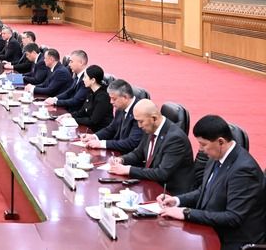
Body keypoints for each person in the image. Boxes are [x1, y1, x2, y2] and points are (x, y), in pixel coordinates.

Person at [158, 115, 266, 250]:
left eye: (203, 144)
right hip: (212, 227)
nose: (200, 149)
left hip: (233, 240)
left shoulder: (244, 170)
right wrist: (177, 200)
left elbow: (233, 217)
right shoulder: (216, 156)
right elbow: (205, 190)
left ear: (220, 142)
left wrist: (186, 213)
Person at [108, 99, 194, 194]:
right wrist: (122, 159)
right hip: (151, 185)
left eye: (141, 121)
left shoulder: (175, 139)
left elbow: (162, 173)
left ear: (154, 118)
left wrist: (128, 170)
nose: (139, 126)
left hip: (169, 192)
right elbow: (138, 154)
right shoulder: (150, 127)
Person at [81, 79, 144, 153]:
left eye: (114, 99)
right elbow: (112, 128)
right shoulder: (120, 108)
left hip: (128, 155)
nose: (111, 102)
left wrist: (102, 144)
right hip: (118, 151)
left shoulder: (139, 112)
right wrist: (94, 136)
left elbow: (132, 143)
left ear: (125, 97)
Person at [57, 65, 112, 132]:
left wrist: (73, 120)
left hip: (99, 131)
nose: (83, 79)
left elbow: (93, 121)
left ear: (93, 80)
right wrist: (70, 115)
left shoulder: (103, 97)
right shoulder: (90, 91)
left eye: (85, 77)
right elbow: (82, 111)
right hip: (89, 128)